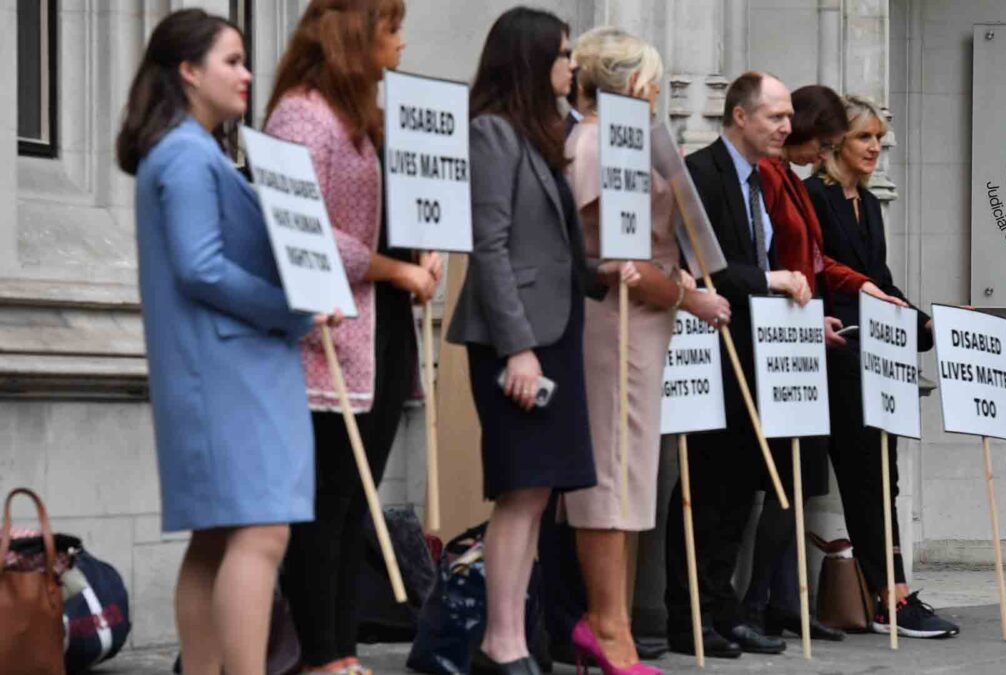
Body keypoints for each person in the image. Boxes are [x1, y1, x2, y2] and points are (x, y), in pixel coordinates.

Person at [116, 9, 326, 674]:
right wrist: (292, 308)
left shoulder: (187, 151)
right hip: (226, 369)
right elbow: (200, 266)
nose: (246, 73)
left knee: (216, 538)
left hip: (218, 366)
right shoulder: (184, 153)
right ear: (187, 70)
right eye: (231, 60)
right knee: (261, 531)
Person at [445, 8, 638, 674]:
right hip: (516, 338)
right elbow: (491, 247)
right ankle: (502, 642)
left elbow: (549, 245)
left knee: (538, 492)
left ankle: (511, 639)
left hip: (553, 330)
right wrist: (517, 347)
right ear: (529, 61)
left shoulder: (537, 134)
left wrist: (600, 272)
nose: (571, 66)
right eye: (561, 54)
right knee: (520, 488)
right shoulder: (492, 133)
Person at [264, 2, 443, 672]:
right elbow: (301, 224)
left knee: (351, 504)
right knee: (328, 499)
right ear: (354, 36)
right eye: (391, 27)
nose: (402, 39)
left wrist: (424, 248)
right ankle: (322, 652)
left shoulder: (363, 117)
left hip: (381, 330)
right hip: (329, 337)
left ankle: (339, 648)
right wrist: (395, 266)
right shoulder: (302, 116)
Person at [558, 27, 732, 675]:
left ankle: (614, 620)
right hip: (613, 324)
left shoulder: (625, 140)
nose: (658, 91)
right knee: (611, 471)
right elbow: (608, 257)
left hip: (642, 324)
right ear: (631, 82)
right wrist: (687, 295)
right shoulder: (599, 142)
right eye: (653, 79)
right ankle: (607, 624)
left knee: (633, 474)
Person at [743, 84, 907, 642]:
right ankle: (754, 603)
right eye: (853, 138)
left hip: (820, 338)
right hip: (791, 345)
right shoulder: (779, 180)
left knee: (808, 481)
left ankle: (782, 602)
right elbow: (785, 261)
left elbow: (821, 264)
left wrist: (906, 312)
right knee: (788, 480)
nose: (869, 148)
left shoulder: (794, 181)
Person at [662, 71, 813, 659]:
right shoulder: (700, 173)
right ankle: (688, 615)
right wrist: (770, 279)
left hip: (757, 355)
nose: (786, 127)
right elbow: (707, 266)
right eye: (775, 116)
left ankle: (723, 611)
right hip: (711, 348)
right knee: (705, 487)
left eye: (788, 117)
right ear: (740, 116)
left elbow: (758, 257)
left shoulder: (762, 182)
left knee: (738, 493)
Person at [806, 94, 960, 639]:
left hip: (881, 356)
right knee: (866, 476)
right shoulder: (814, 198)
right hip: (838, 352)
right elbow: (823, 276)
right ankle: (886, 596)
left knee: (883, 476)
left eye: (879, 138)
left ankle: (890, 590)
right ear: (836, 145)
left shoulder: (867, 205)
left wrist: (928, 325)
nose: (875, 147)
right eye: (865, 137)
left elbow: (882, 283)